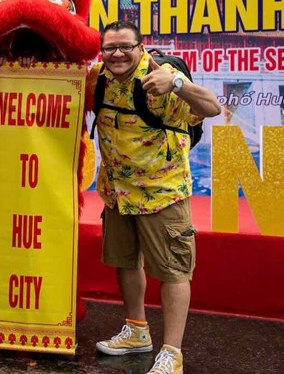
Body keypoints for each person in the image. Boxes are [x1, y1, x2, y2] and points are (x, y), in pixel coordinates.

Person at [89, 21, 221, 374]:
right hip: (117, 192)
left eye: (125, 47)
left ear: (140, 47)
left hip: (162, 193)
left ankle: (172, 353)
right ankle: (136, 330)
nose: (117, 54)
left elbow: (212, 107)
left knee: (174, 271)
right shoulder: (98, 77)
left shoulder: (161, 78)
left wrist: (177, 83)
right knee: (126, 261)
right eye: (110, 47)